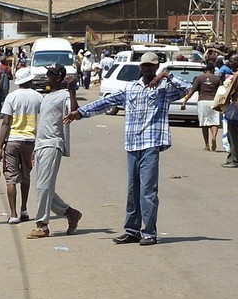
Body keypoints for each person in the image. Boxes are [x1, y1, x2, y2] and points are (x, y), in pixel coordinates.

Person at [65, 50, 188, 247]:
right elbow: (106, 102)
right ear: (140, 67)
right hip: (132, 144)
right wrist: (79, 112)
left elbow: (188, 89)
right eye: (144, 65)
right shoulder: (130, 88)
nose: (147, 68)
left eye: (151, 66)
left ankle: (149, 232)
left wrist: (166, 75)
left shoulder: (164, 90)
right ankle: (132, 231)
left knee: (148, 190)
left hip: (151, 144)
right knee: (133, 190)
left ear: (156, 67)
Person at [27, 63, 83, 239]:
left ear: (58, 78)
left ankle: (42, 225)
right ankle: (70, 213)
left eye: (50, 74)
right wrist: (34, 148)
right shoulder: (46, 96)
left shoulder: (64, 95)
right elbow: (42, 125)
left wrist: (72, 91)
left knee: (44, 186)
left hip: (53, 143)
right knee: (43, 187)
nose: (46, 77)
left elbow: (74, 112)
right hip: (41, 145)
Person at [0, 66, 42, 223]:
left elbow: (6, 123)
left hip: (13, 141)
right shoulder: (38, 97)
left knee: (11, 179)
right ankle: (24, 209)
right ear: (30, 80)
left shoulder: (11, 97)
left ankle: (13, 214)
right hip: (30, 142)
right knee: (26, 176)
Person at [183, 61, 223, 151]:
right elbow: (221, 92)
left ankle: (207, 144)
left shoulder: (199, 78)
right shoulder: (217, 78)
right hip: (213, 101)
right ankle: (214, 136)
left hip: (202, 102)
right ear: (212, 70)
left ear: (205, 70)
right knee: (214, 122)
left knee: (204, 123)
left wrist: (185, 101)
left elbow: (192, 90)